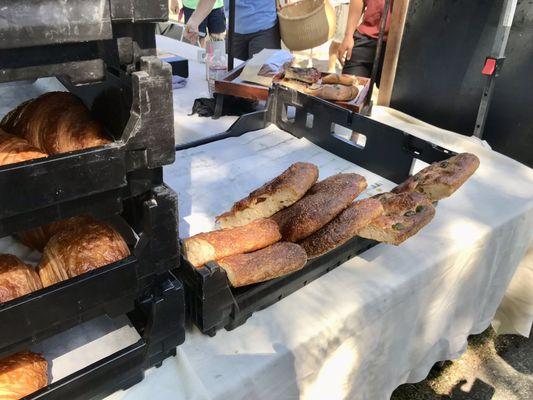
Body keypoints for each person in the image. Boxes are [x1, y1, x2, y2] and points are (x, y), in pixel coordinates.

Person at [185, 0, 281, 61]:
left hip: (264, 30)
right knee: (232, 83)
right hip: (234, 32)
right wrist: (194, 20)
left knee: (260, 83)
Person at [337, 0, 392, 85]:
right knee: (349, 90)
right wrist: (348, 35)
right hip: (365, 38)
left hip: (402, 46)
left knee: (397, 97)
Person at [328, 0, 351, 72]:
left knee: (354, 39)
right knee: (338, 39)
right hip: (344, 4)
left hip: (362, 4)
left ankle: (345, 66)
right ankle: (331, 68)